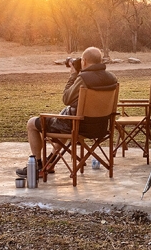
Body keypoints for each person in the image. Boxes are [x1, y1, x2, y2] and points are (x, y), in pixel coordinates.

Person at [17, 46, 118, 179]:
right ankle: (50, 161)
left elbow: (66, 99)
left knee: (32, 123)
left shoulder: (83, 78)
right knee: (64, 123)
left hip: (79, 127)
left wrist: (73, 75)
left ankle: (36, 165)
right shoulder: (112, 78)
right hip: (101, 128)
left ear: (84, 61)